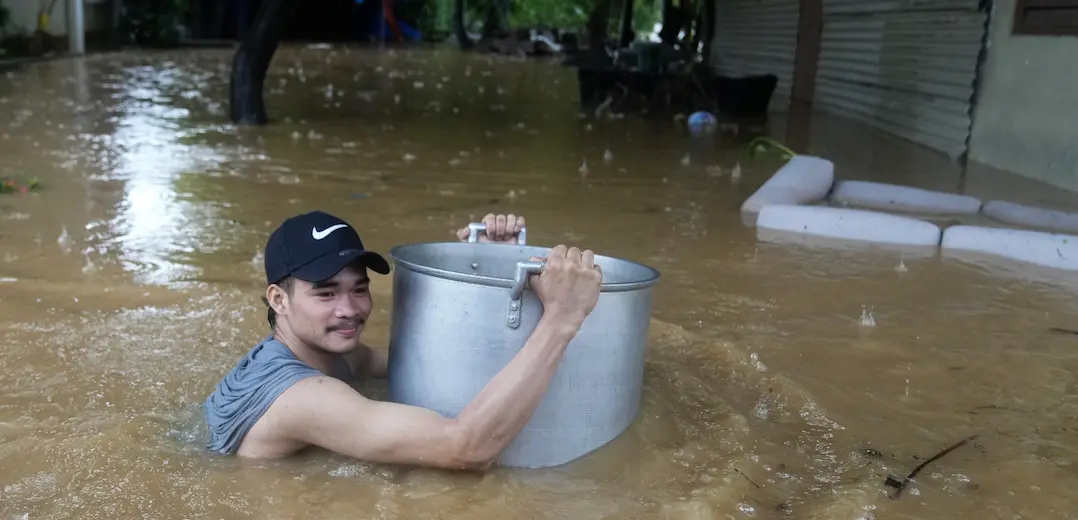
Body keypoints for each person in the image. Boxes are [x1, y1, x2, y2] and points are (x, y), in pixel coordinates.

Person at [204, 210, 603, 470]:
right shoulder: (304, 398)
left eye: (359, 289)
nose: (349, 309)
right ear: (279, 299)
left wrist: (484, 274)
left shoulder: (329, 354)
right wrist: (562, 319)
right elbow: (465, 448)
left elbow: (424, 364)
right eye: (326, 294)